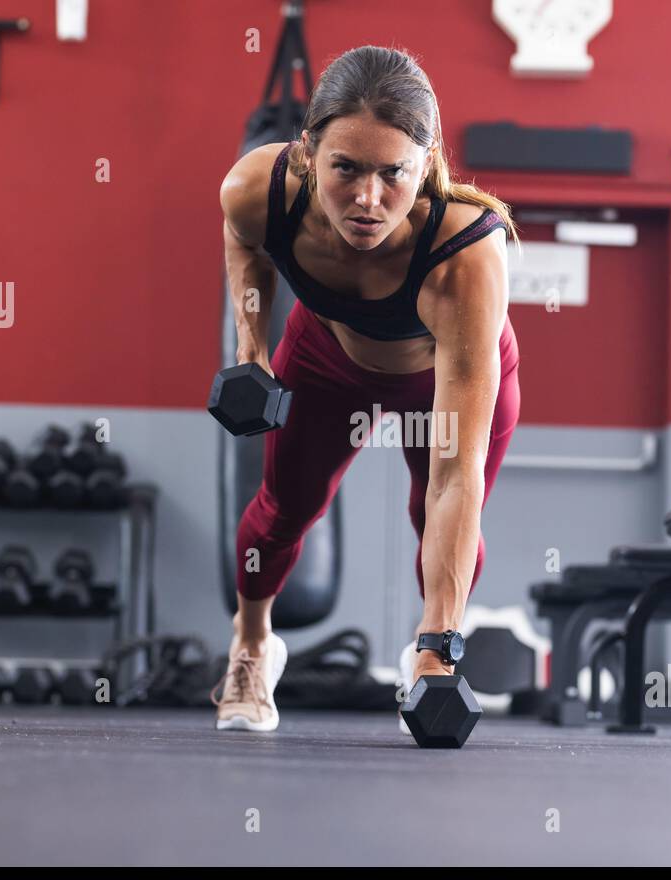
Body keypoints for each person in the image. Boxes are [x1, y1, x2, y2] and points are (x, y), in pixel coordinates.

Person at [213, 45, 521, 731]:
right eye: (345, 168)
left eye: (394, 173)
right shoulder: (256, 191)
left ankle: (431, 652)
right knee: (282, 508)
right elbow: (246, 243)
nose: (368, 198)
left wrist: (439, 649)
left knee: (437, 511)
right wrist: (252, 348)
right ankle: (253, 645)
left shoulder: (465, 254)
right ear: (305, 153)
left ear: (429, 164)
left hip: (442, 367)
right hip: (327, 355)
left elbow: (455, 476)